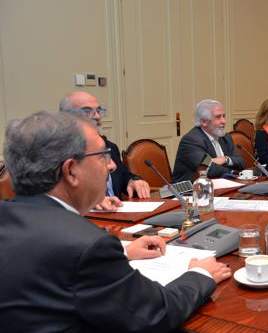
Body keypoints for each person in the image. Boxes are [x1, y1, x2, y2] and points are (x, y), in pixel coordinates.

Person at [0, 111, 231, 333]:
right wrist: (200, 274)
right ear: (71, 171)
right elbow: (157, 312)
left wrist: (124, 252)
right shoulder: (86, 245)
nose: (112, 166)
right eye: (103, 156)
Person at [60, 91, 150, 211]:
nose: (97, 116)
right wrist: (92, 199)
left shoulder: (109, 147)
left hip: (119, 216)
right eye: (87, 111)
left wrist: (133, 181)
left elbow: (123, 175)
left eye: (99, 110)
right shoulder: (59, 151)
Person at [172, 99, 244, 182]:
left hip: (220, 185)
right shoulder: (192, 141)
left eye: (224, 116)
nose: (224, 121)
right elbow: (208, 169)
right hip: (190, 190)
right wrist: (233, 171)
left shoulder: (225, 137)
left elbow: (241, 161)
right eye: (218, 117)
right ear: (204, 122)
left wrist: (225, 159)